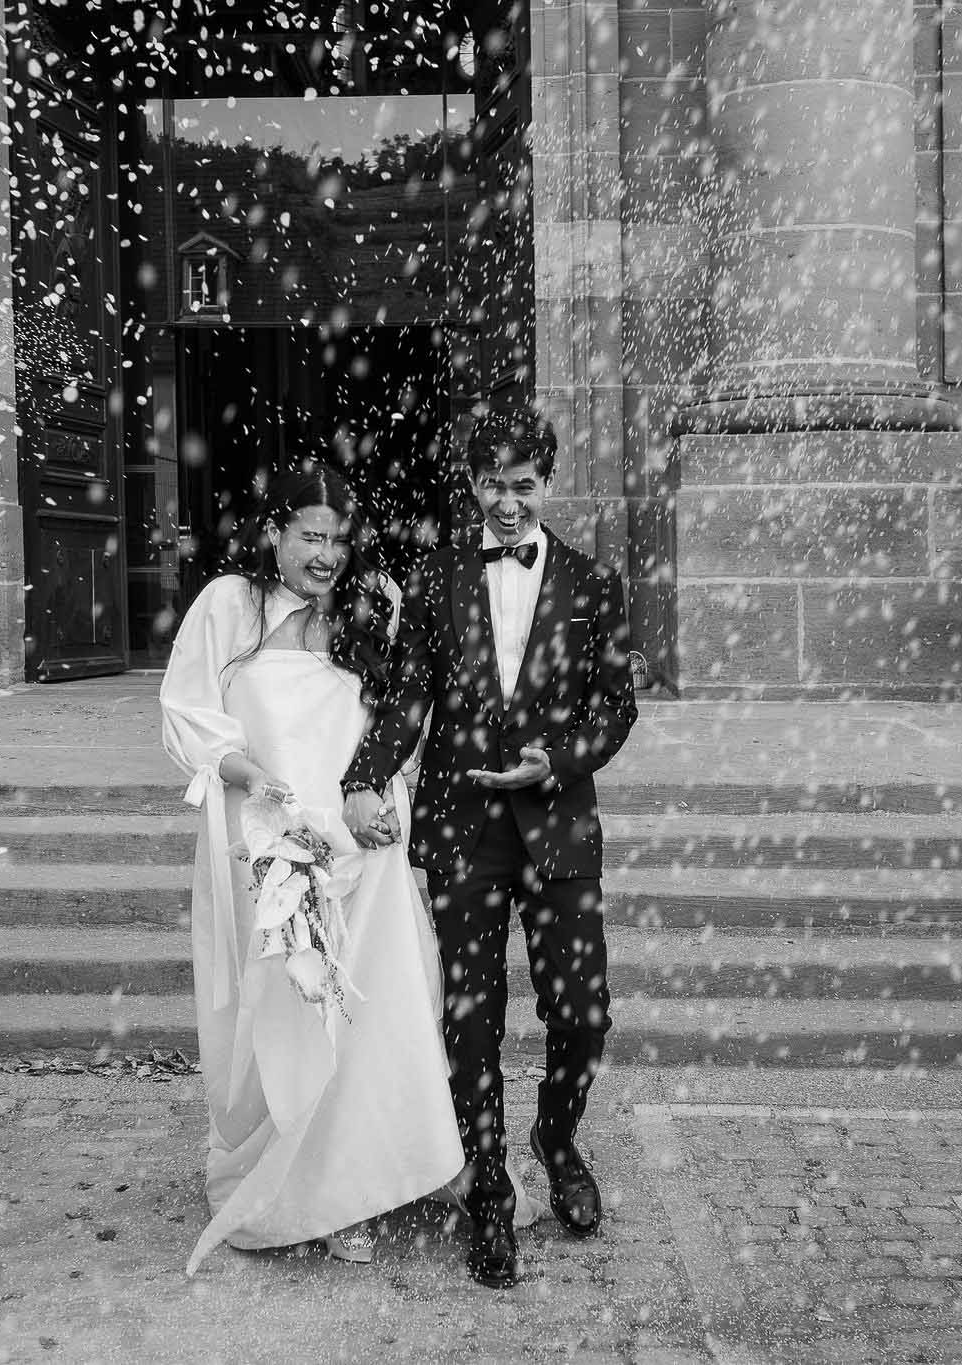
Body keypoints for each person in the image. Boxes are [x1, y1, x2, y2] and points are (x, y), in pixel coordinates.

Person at [341, 408, 637, 1289]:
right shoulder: (436, 581)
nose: (507, 504)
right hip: (462, 826)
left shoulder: (594, 583)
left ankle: (556, 1134)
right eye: (491, 484)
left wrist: (566, 757)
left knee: (582, 1012)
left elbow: (615, 705)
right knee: (470, 1019)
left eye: (523, 485)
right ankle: (493, 1192)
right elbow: (406, 699)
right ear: (470, 484)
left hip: (558, 826)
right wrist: (363, 776)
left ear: (548, 483)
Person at [161, 467, 463, 1275]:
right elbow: (187, 715)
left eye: (338, 537)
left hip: (361, 837)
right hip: (274, 840)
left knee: (378, 1007)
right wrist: (252, 781)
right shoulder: (230, 604)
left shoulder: (370, 607)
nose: (327, 554)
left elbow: (401, 712)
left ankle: (372, 1172)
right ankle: (310, 1186)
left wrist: (388, 793)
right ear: (273, 533)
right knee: (297, 1014)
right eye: (309, 535)